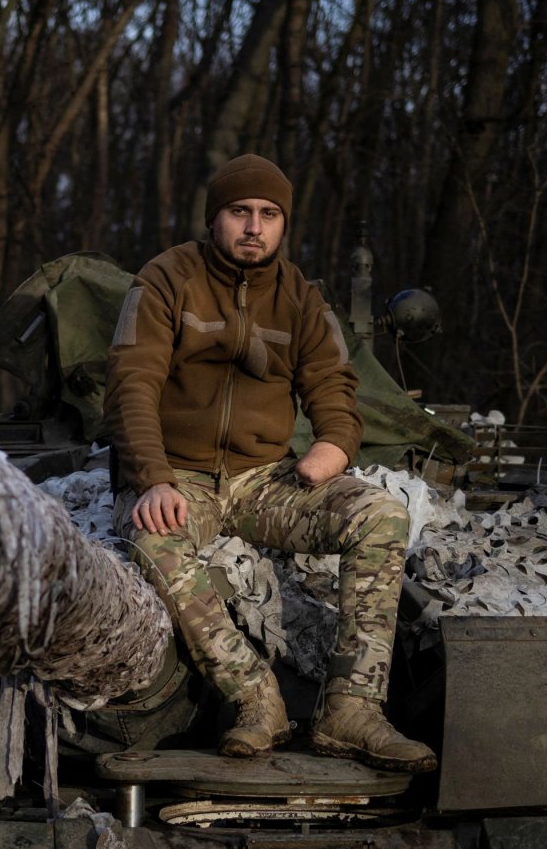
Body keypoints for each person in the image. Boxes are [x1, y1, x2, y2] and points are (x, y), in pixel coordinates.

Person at [104, 154, 437, 773]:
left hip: (263, 481)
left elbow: (335, 383)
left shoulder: (301, 298)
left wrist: (332, 446)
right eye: (240, 212)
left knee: (381, 517)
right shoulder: (165, 279)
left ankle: (353, 710)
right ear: (215, 218)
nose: (254, 226)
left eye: (269, 214)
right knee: (156, 542)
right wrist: (152, 479)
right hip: (180, 475)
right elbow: (131, 385)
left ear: (283, 225)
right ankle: (258, 700)